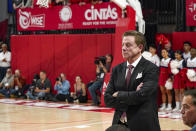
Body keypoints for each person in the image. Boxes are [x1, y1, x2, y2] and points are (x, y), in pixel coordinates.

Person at [104, 30, 160, 131]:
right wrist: (134, 94)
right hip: (119, 125)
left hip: (143, 124)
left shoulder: (151, 68)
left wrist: (119, 94)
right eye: (123, 45)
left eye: (128, 45)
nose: (123, 48)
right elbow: (107, 99)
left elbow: (142, 95)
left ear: (140, 47)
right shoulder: (116, 69)